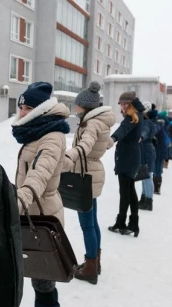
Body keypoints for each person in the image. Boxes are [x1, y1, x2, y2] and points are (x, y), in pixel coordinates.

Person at [11, 82, 70, 307]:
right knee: (39, 280)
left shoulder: (52, 136)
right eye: (21, 107)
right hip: (30, 214)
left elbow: (40, 174)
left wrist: (20, 199)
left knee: (44, 282)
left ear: (41, 110)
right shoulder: (36, 133)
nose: (23, 113)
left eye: (28, 107)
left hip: (43, 217)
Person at [63, 81, 114, 285]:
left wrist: (68, 156)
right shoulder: (100, 122)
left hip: (85, 174)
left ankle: (90, 267)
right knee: (92, 221)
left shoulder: (90, 124)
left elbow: (85, 146)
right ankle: (96, 262)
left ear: (85, 106)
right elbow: (107, 143)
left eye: (77, 105)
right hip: (93, 173)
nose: (75, 108)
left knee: (87, 225)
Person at [108, 91, 144, 237]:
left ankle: (121, 223)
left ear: (131, 104)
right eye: (121, 104)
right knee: (131, 191)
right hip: (132, 157)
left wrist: (113, 138)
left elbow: (123, 129)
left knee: (125, 192)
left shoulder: (131, 117)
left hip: (127, 158)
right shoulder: (138, 115)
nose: (122, 106)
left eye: (125, 103)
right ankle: (134, 224)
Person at [139, 102, 157, 211]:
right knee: (144, 175)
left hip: (147, 150)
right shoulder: (146, 121)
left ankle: (148, 201)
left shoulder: (146, 122)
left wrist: (141, 136)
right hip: (145, 149)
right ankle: (144, 198)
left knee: (147, 176)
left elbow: (144, 132)